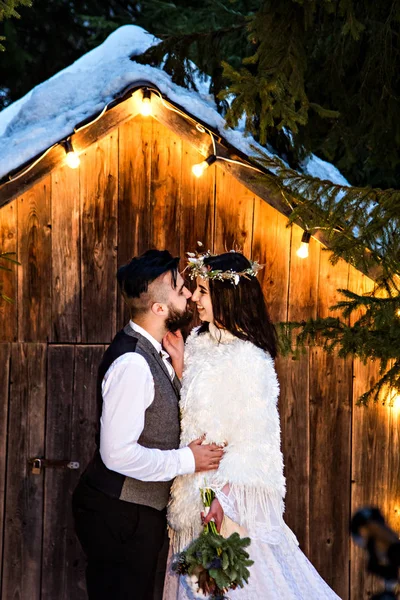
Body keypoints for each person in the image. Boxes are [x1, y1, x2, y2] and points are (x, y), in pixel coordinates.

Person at [163, 250, 341, 599]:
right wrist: (182, 365)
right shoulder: (198, 340)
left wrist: (223, 501)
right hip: (190, 497)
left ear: (228, 296)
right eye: (196, 290)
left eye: (203, 291)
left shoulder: (250, 358)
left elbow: (254, 444)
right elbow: (199, 410)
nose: (195, 299)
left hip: (225, 506)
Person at [72, 249, 224, 600]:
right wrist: (189, 460)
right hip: (119, 516)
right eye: (179, 288)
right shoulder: (133, 363)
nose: (187, 294)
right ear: (158, 307)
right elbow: (117, 455)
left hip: (134, 515)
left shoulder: (155, 350)